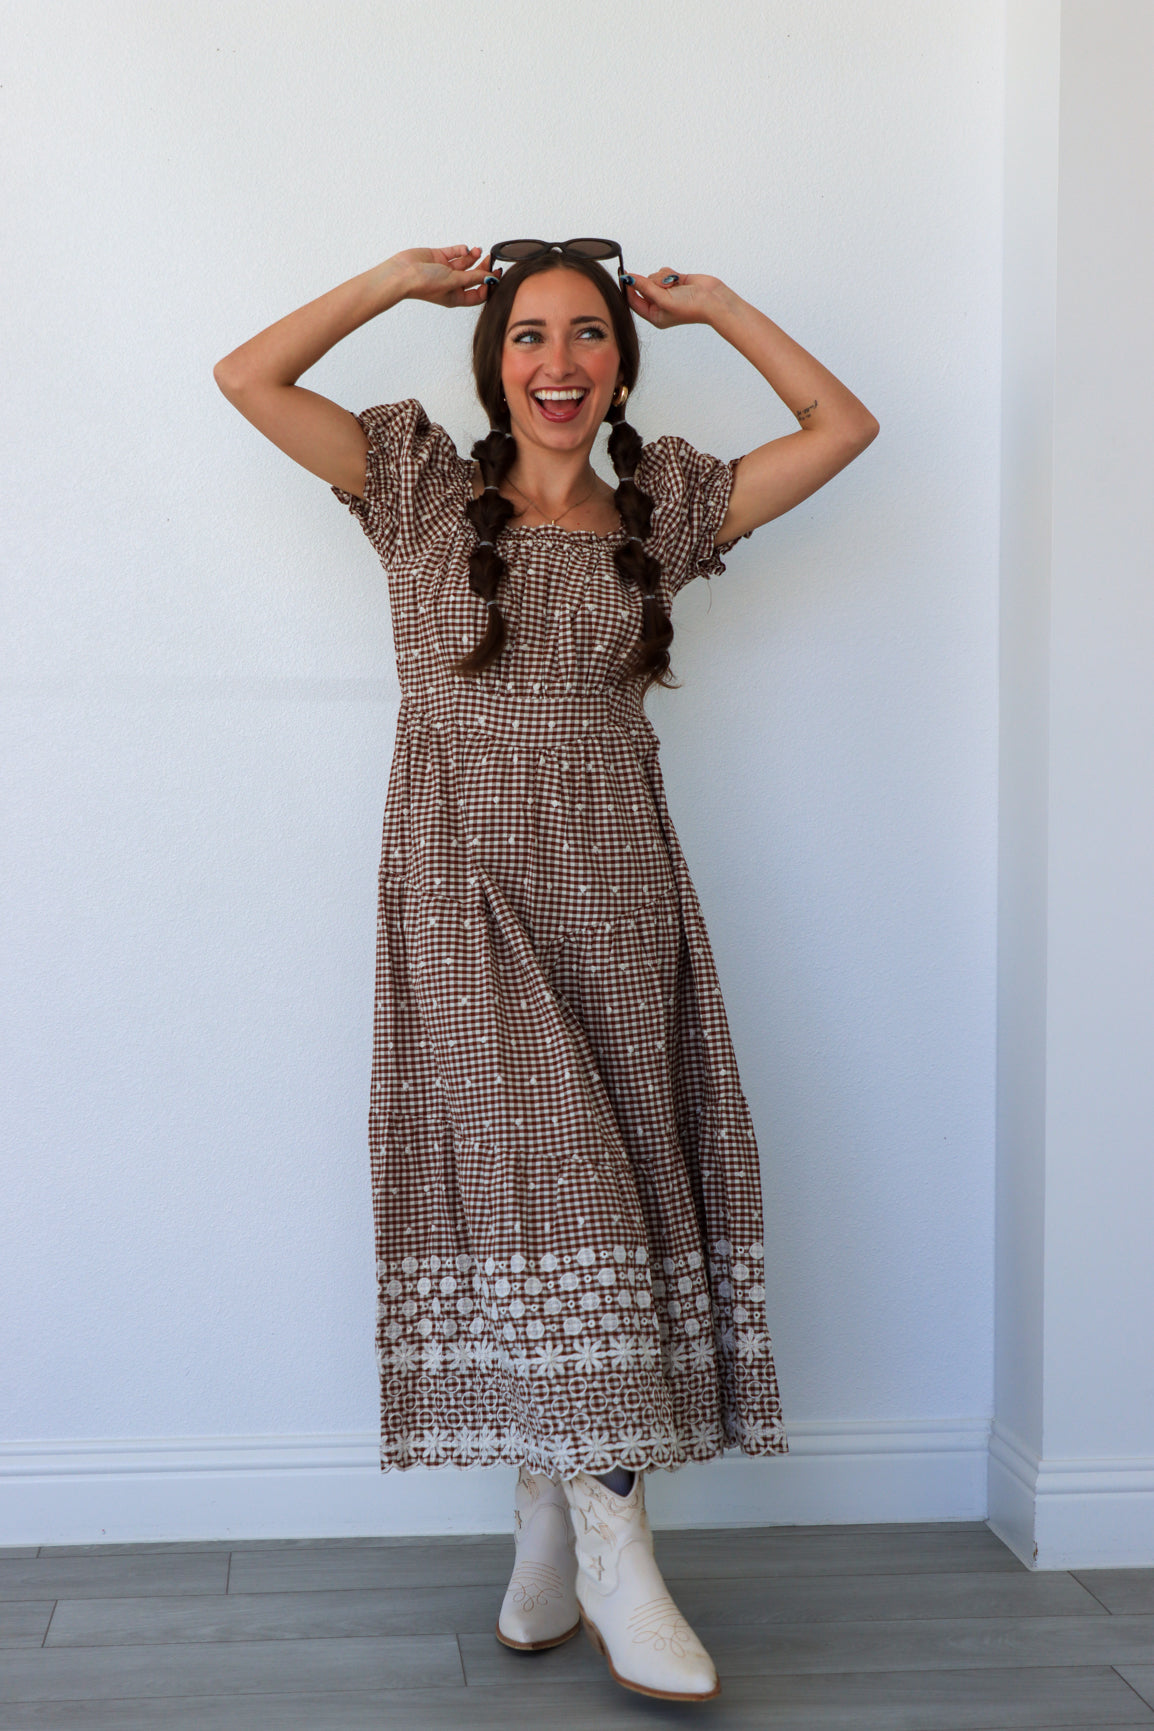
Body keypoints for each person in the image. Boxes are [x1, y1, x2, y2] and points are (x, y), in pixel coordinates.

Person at [213, 238, 878, 1703]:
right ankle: (617, 1548)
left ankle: (547, 1513)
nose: (559, 363)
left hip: (620, 904)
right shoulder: (413, 488)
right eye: (529, 336)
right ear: (492, 361)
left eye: (587, 336)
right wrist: (391, 282)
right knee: (551, 1189)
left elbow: (842, 427)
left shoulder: (665, 511)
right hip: (460, 901)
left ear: (620, 367)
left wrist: (720, 306)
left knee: (609, 1202)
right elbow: (246, 377)